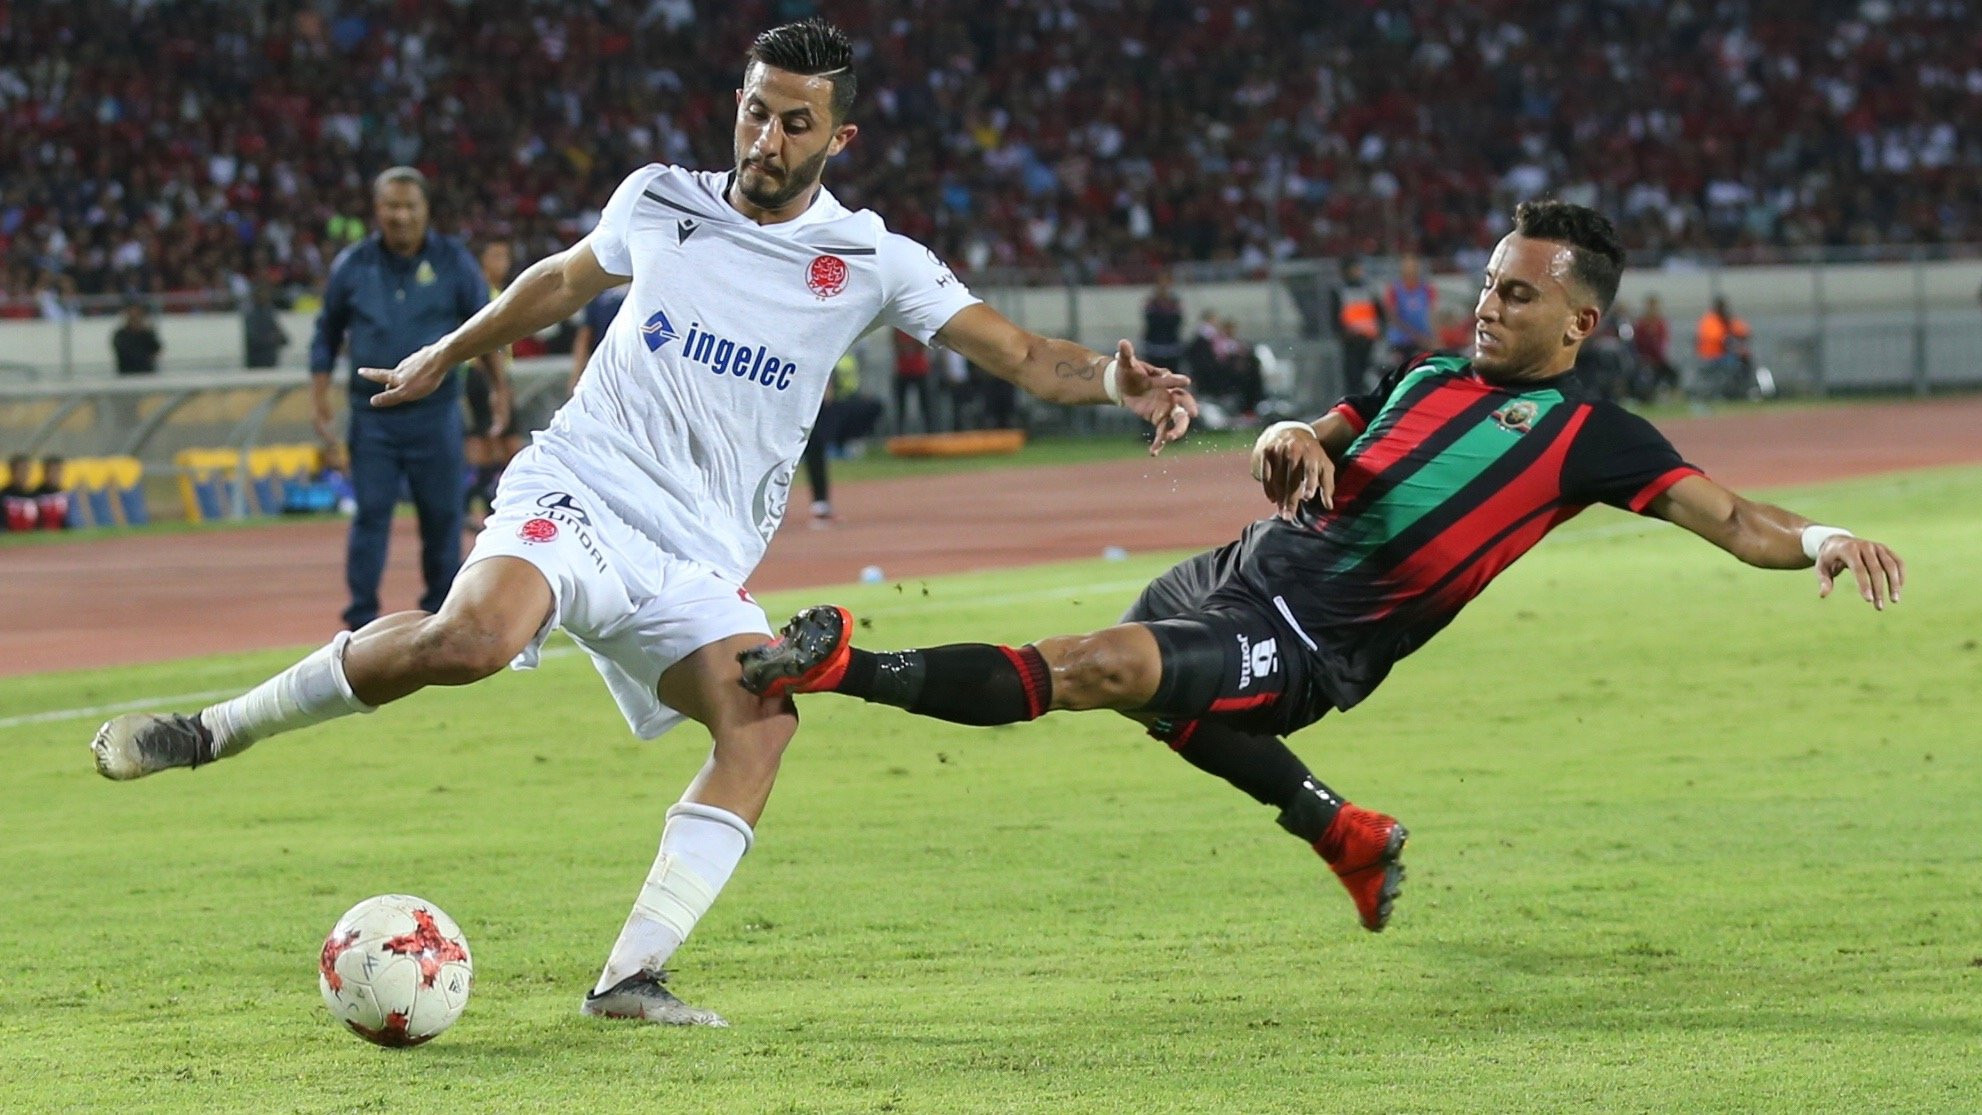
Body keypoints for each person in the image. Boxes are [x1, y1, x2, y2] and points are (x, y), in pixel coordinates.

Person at [92, 18, 1195, 1030]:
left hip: (695, 558)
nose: (766, 136)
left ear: (838, 135)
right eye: (755, 109)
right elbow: (562, 279)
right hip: (579, 488)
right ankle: (211, 730)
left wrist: (1114, 382)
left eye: (794, 121)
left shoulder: (872, 260)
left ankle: (628, 976)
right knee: (470, 640)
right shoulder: (661, 195)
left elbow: (1018, 355)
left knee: (761, 720)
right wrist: (452, 349)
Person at [738, 200, 1905, 937]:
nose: (1485, 304)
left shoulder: (1589, 438)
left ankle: (843, 662)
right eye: (1488, 281)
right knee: (1158, 704)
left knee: (1094, 666)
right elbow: (1295, 442)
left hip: (1307, 644)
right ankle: (1341, 830)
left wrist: (1818, 540)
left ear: (1578, 322)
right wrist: (1282, 439)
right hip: (1231, 570)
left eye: (1516, 291)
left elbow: (1737, 516)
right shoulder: (1422, 370)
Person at [307, 166, 505, 630]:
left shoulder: (455, 263)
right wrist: (320, 400)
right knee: (370, 516)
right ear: (376, 210)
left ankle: (441, 615)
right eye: (391, 206)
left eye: (409, 206)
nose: (400, 216)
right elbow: (326, 334)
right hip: (372, 414)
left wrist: (499, 390)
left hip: (435, 413)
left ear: (426, 210)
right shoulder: (352, 266)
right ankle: (359, 621)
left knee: (443, 515)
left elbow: (488, 326)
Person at [464, 240, 519, 525]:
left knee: (495, 443)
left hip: (494, 376)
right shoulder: (480, 293)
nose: (503, 263)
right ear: (482, 261)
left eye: (506, 257)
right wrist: (497, 387)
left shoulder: (497, 292)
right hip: (484, 375)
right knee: (500, 443)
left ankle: (480, 504)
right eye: (495, 256)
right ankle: (479, 504)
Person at [1328, 257, 1386, 389]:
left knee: (1372, 376)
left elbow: (1380, 314)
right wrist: (1343, 334)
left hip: (1370, 341)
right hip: (1351, 342)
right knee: (1353, 379)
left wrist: (1380, 332)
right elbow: (1335, 318)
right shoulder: (1339, 291)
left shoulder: (1370, 289)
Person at [568, 284, 629, 396]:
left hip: (633, 360)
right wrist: (577, 373)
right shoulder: (600, 296)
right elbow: (585, 336)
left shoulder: (645, 290)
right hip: (604, 365)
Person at [1694, 295, 1752, 400]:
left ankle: (1741, 390)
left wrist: (1736, 332)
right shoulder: (1709, 320)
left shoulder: (1727, 319)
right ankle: (1727, 392)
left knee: (1744, 360)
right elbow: (1717, 337)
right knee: (1732, 364)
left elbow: (1743, 330)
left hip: (1725, 356)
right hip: (1711, 356)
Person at [1383, 252, 1437, 356]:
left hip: (1423, 340)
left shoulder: (1426, 289)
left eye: (1413, 267)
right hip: (1401, 341)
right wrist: (1417, 336)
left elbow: (1432, 315)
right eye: (1407, 267)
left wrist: (1434, 337)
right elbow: (1393, 317)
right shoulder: (1394, 290)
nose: (1411, 270)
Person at [1632, 293, 1677, 398]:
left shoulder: (1660, 323)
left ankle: (1672, 396)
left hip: (1659, 359)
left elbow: (1664, 341)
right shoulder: (1641, 324)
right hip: (1644, 359)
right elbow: (1638, 343)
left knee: (1673, 374)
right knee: (1647, 374)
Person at [890, 328, 934, 433]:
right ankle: (900, 431)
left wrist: (908, 347)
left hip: (919, 370)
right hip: (903, 370)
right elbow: (897, 345)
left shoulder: (917, 327)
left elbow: (922, 345)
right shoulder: (898, 329)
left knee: (926, 404)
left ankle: (930, 430)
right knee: (901, 406)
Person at [1141, 271, 1184, 369]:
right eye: (1161, 282)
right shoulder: (1150, 302)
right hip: (1154, 347)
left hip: (1171, 348)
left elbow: (1177, 322)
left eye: (1166, 282)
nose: (1164, 285)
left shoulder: (1176, 303)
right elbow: (1152, 322)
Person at [243, 280, 290, 369]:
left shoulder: (270, 313)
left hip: (271, 362)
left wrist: (278, 337)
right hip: (257, 363)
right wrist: (273, 338)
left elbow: (285, 339)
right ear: (255, 297)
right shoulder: (251, 315)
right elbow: (254, 339)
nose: (266, 297)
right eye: (262, 294)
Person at [111, 303, 161, 375]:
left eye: (137, 315)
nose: (135, 318)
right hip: (126, 373)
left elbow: (156, 348)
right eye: (132, 316)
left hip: (146, 372)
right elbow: (122, 351)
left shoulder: (147, 333)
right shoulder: (120, 334)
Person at [32, 455, 72, 530]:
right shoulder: (35, 495)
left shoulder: (65, 494)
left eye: (58, 471)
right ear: (45, 472)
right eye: (52, 471)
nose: (55, 475)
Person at [2, 454, 38, 531]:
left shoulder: (35, 495)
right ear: (12, 471)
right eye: (20, 470)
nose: (24, 474)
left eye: (26, 470)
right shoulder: (4, 496)